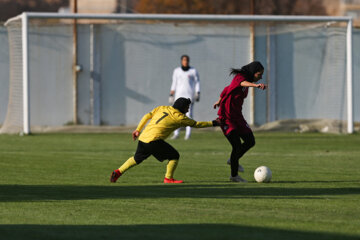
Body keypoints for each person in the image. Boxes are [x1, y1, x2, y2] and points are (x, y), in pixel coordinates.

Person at [110, 97, 220, 184]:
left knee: (136, 159)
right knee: (174, 156)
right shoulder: (179, 117)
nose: (188, 109)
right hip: (154, 140)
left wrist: (138, 129)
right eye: (187, 107)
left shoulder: (162, 108)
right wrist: (213, 123)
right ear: (182, 107)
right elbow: (196, 124)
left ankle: (118, 172)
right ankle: (168, 179)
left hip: (143, 138)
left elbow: (146, 116)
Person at [213, 61, 267, 183]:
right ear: (253, 73)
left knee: (250, 141)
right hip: (226, 118)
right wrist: (256, 86)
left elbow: (227, 89)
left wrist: (219, 100)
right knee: (236, 145)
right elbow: (241, 83)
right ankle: (234, 176)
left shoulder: (247, 82)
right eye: (259, 74)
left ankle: (233, 160)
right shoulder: (240, 78)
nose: (261, 77)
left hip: (238, 117)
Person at [169, 55, 200, 140]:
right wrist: (171, 94)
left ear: (188, 61)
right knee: (177, 115)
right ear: (181, 61)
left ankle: (188, 134)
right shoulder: (177, 71)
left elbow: (197, 82)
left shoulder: (193, 71)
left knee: (189, 115)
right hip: (178, 96)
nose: (185, 62)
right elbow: (174, 83)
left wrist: (198, 92)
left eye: (187, 60)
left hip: (189, 96)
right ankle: (176, 134)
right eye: (184, 60)